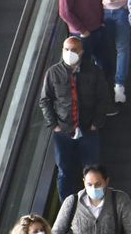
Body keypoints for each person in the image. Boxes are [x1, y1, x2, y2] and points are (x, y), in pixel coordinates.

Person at [38, 36, 112, 199]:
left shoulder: (93, 71)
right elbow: (45, 100)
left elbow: (103, 98)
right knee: (64, 171)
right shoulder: (53, 73)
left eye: (73, 50)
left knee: (92, 171)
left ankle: (93, 205)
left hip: (89, 130)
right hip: (63, 132)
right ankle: (67, 207)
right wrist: (54, 125)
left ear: (81, 52)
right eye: (66, 49)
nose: (69, 53)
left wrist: (96, 123)